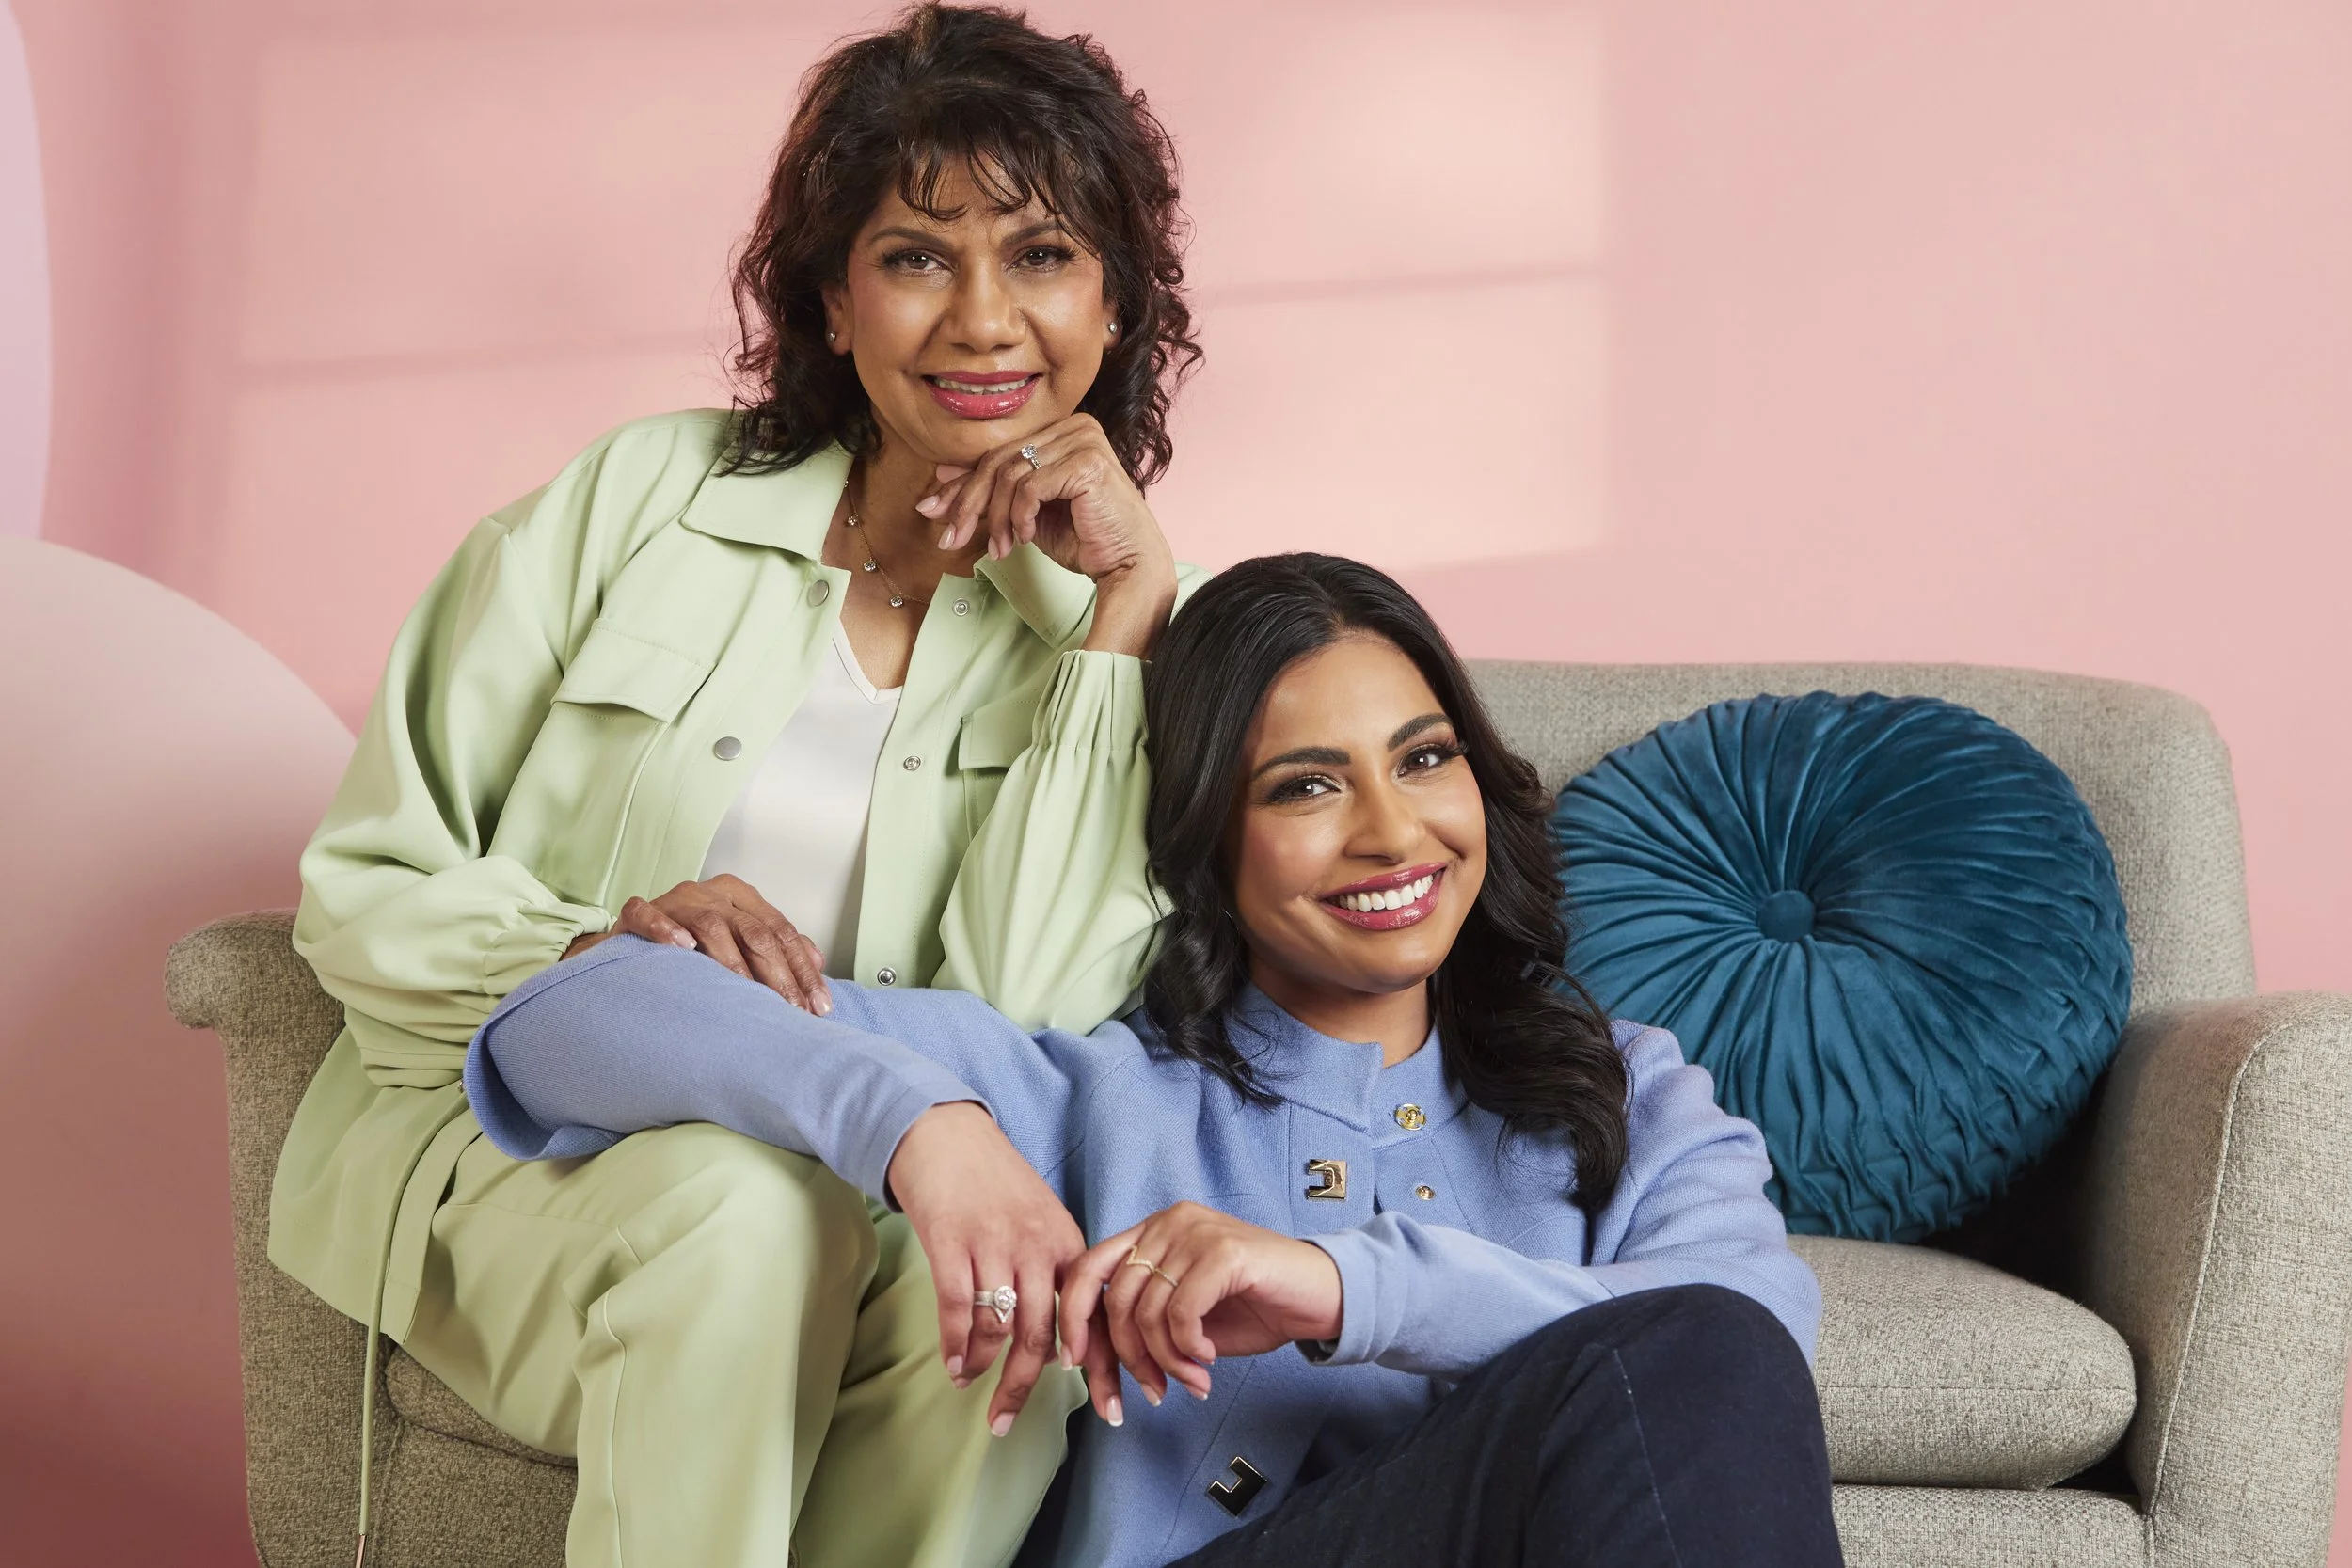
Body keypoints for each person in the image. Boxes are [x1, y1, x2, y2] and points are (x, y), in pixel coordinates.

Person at [279, 7, 1204, 1564]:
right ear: (834, 302)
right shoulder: (635, 504)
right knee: (744, 1210)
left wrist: (1124, 623)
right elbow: (372, 883)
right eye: (918, 256)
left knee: (1010, 1288)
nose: (984, 318)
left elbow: (1024, 1014)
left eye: (1041, 254)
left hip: (887, 1190)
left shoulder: (1107, 647)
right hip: (524, 1167)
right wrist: (606, 956)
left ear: (1116, 305)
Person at [468, 554, 1845, 1568]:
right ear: (1205, 837)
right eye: (1305, 785)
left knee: (1701, 1355)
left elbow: (1742, 1342)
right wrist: (928, 1129)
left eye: (1424, 759)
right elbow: (566, 1022)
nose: (1391, 831)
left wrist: (1331, 1282)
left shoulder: (1628, 1086)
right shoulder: (1094, 1091)